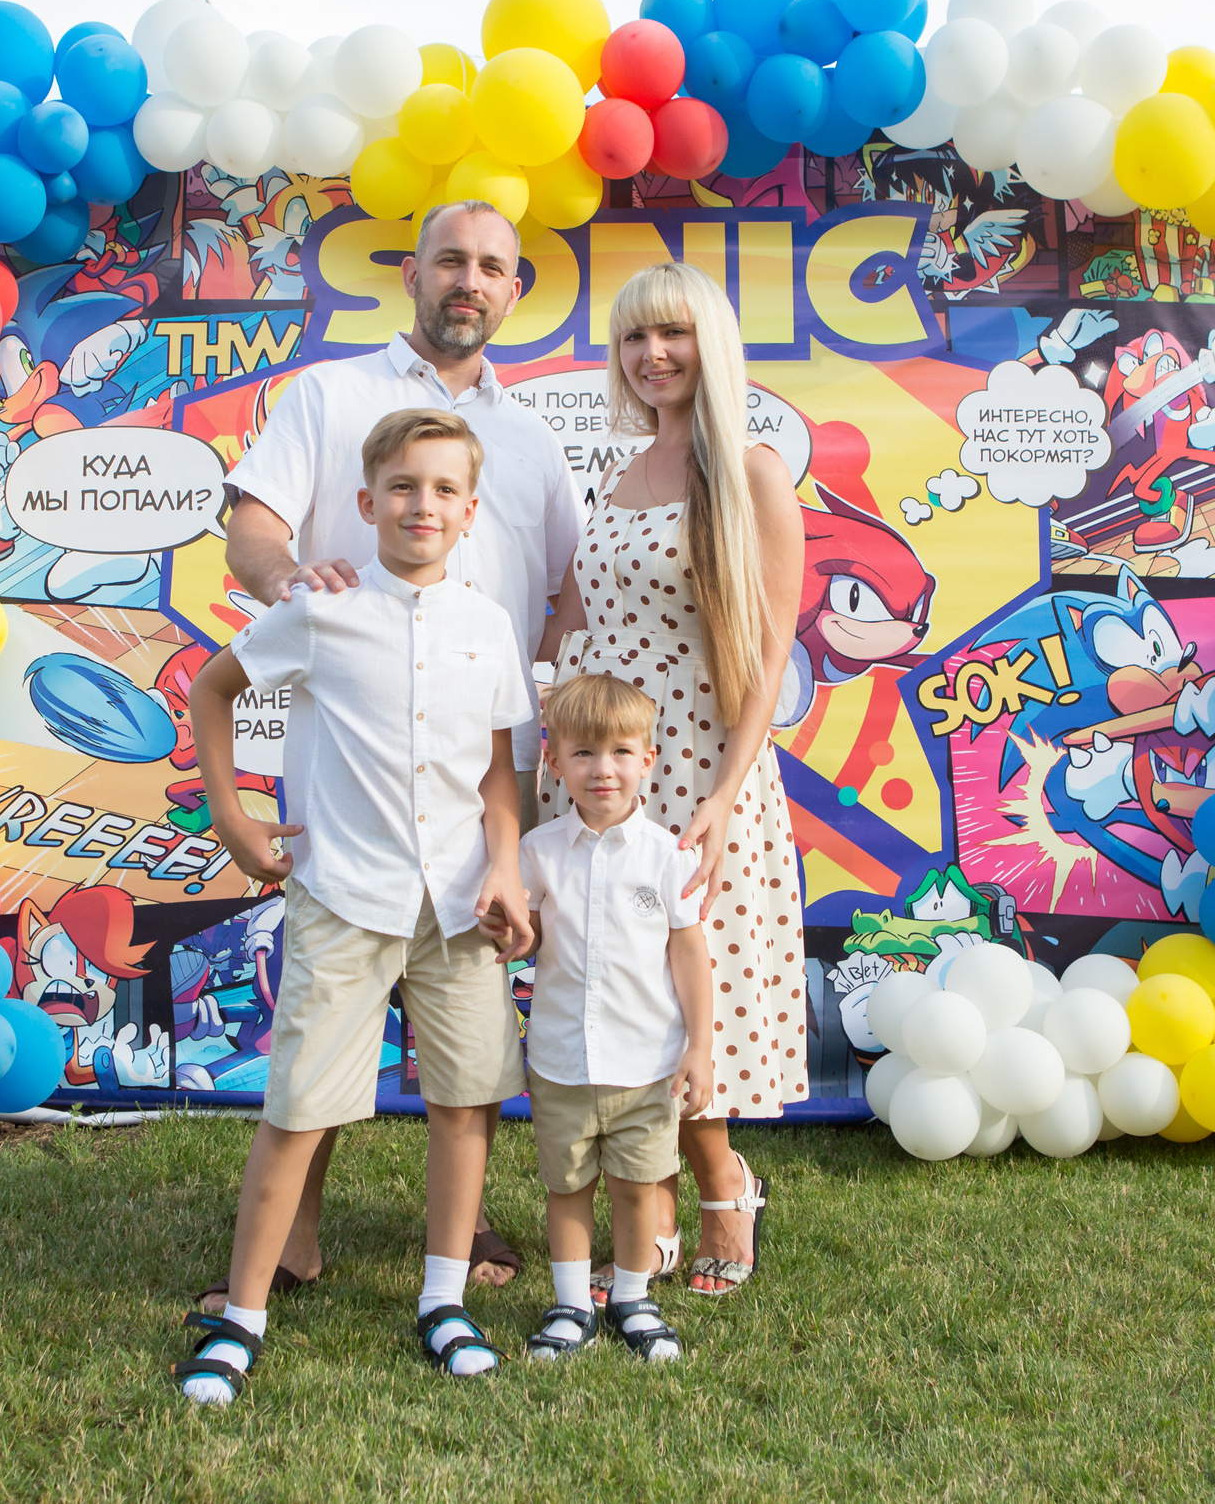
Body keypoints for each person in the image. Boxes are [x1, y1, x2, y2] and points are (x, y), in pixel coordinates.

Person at [210, 197, 578, 1307]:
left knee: (469, 1043)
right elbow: (253, 526)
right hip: (356, 762)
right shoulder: (331, 394)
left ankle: (449, 1254)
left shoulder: (527, 438)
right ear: (411, 273)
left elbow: (555, 592)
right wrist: (291, 590)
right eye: (450, 261)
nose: (469, 281)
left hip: (482, 775)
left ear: (513, 292)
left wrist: (526, 701)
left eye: (491, 268)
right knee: (332, 1005)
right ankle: (293, 1235)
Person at [173, 408, 536, 1407]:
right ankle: (240, 1314)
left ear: (470, 512)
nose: (424, 505)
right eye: (404, 488)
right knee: (298, 1108)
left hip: (461, 908)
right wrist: (231, 812)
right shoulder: (322, 611)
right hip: (344, 897)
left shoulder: (489, 627)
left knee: (466, 1103)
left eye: (444, 491)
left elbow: (499, 778)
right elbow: (214, 688)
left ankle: (443, 1296)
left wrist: (503, 866)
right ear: (368, 504)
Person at [536, 260, 805, 1300]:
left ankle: (722, 1187)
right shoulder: (615, 472)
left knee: (695, 989)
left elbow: (766, 654)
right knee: (612, 983)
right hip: (602, 770)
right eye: (635, 338)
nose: (653, 355)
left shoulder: (749, 471)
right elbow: (576, 621)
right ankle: (640, 1221)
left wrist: (727, 793)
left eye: (674, 335)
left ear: (711, 345)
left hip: (697, 766)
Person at [516, 674, 713, 1364]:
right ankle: (571, 1304)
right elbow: (528, 934)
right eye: (584, 753)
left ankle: (632, 1296)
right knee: (566, 1186)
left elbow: (689, 952)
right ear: (556, 761)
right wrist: (515, 931)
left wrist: (700, 1047)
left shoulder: (667, 856)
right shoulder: (539, 852)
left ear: (649, 760)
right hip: (562, 1059)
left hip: (647, 1063)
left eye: (622, 752)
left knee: (637, 1187)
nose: (604, 769)